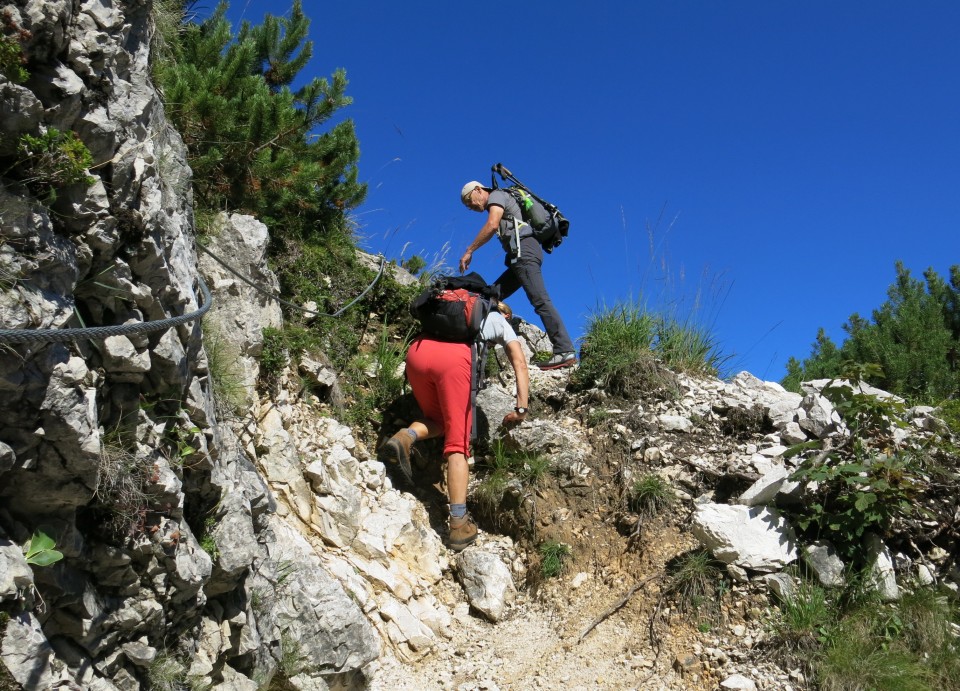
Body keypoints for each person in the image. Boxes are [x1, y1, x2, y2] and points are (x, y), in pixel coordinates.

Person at [378, 301, 530, 552]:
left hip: (418, 352)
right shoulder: (499, 319)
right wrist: (521, 408)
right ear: (504, 313)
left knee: (440, 421)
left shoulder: (451, 308)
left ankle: (405, 437)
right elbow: (519, 361)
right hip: (453, 362)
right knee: (458, 443)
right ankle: (459, 524)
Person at [459, 181, 577, 370]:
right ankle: (484, 341)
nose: (470, 207)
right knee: (490, 297)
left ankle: (564, 350)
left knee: (540, 300)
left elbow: (492, 224)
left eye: (468, 201)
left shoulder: (496, 196)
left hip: (524, 253)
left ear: (478, 190)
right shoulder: (503, 196)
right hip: (520, 256)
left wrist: (470, 250)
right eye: (466, 205)